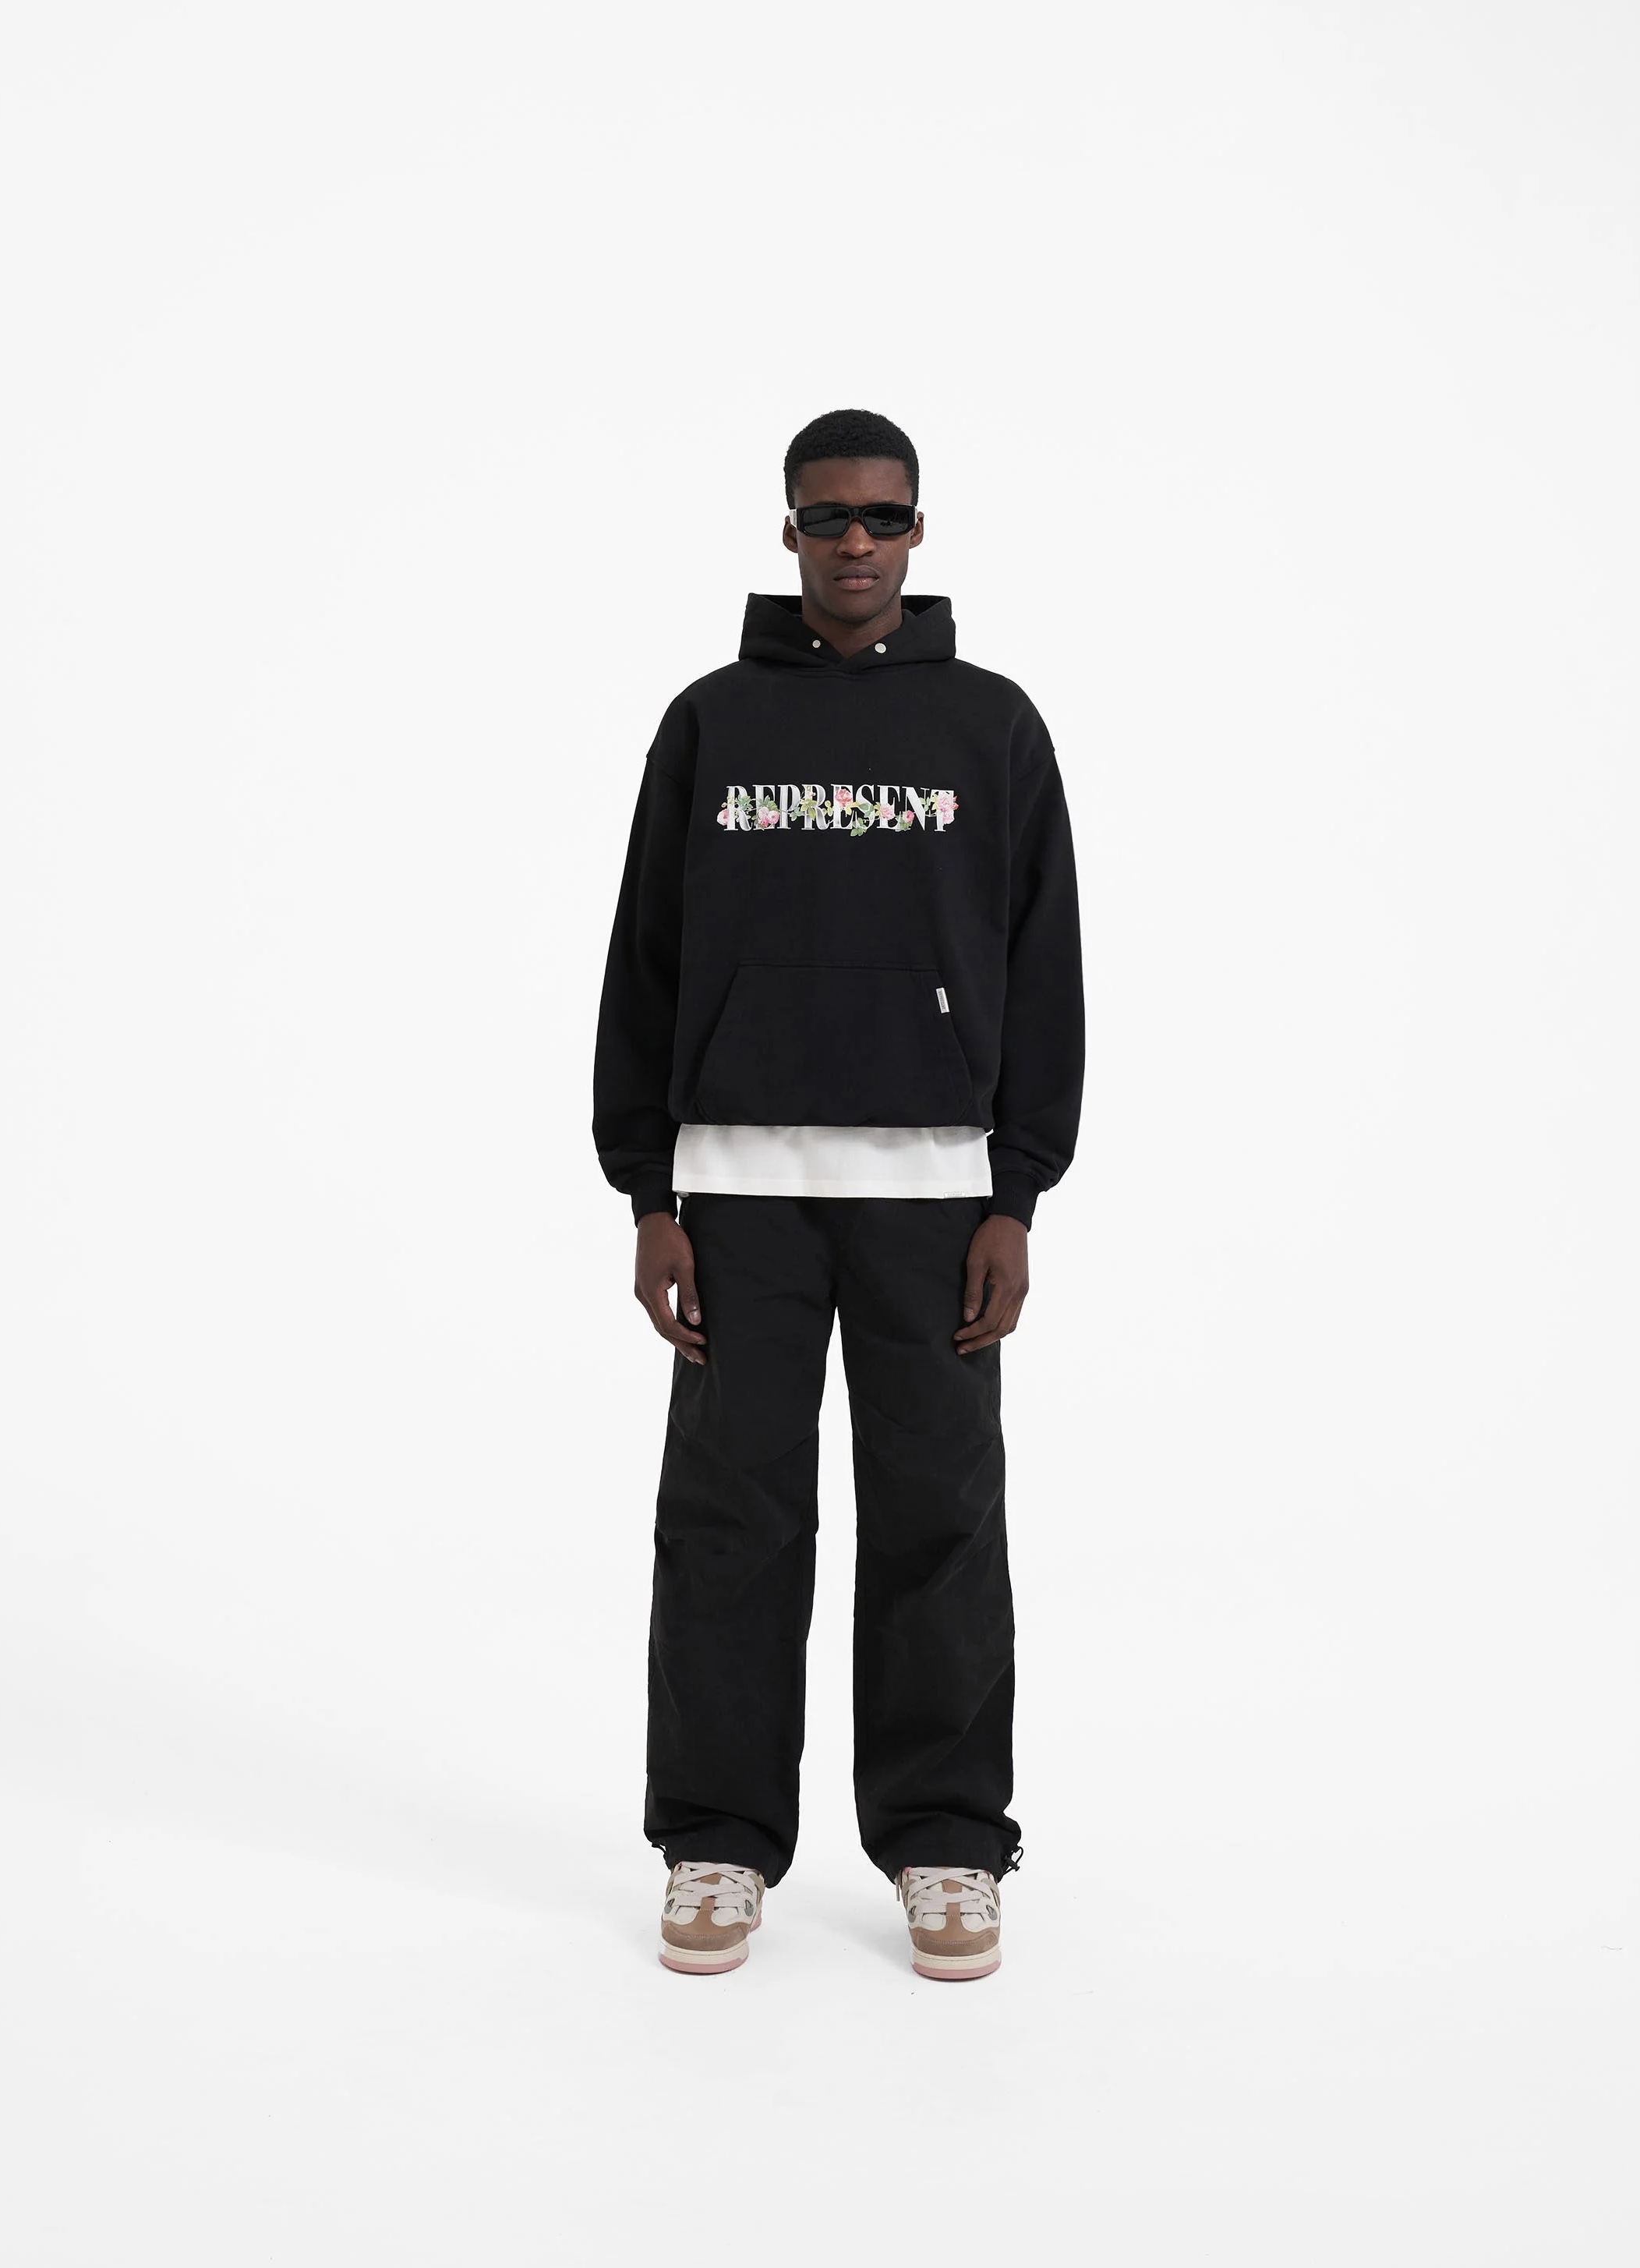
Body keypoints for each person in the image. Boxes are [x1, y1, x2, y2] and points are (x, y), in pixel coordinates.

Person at [592, 407, 1084, 1980]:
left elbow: (1043, 967)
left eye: (880, 517)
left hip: (934, 1192)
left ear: (918, 532)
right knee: (728, 1521)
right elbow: (645, 960)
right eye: (826, 518)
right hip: (736, 1191)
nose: (853, 543)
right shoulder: (710, 723)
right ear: (789, 530)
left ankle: (946, 1843)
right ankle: (718, 1841)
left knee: (940, 1516)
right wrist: (646, 1191)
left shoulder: (991, 729)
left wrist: (1016, 1194)